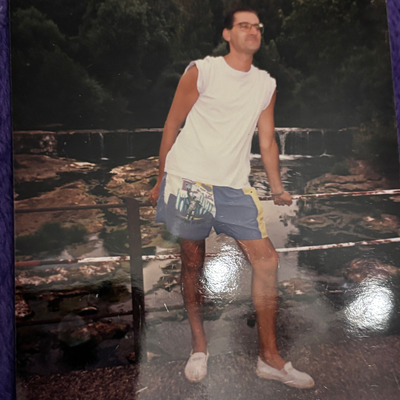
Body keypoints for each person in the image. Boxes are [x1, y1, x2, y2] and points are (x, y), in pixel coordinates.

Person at [149, 6, 315, 389]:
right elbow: (172, 124)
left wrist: (276, 187)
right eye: (244, 25)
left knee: (267, 261)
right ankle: (199, 346)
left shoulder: (265, 85)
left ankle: (269, 358)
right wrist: (161, 179)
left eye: (257, 27)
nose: (253, 31)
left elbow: (267, 141)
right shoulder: (202, 71)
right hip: (189, 181)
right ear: (227, 34)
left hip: (234, 187)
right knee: (192, 262)